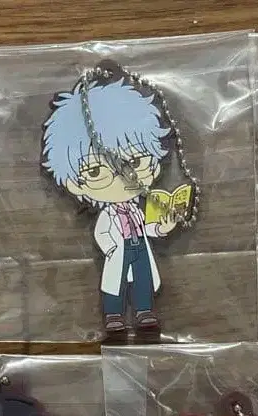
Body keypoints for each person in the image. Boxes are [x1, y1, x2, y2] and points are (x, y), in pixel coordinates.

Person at [42, 69, 179, 334]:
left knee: (143, 280)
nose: (121, 177)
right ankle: (114, 315)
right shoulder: (107, 215)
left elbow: (147, 227)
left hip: (140, 248)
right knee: (115, 286)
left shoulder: (137, 208)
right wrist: (111, 248)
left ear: (154, 163)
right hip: (119, 250)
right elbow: (102, 233)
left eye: (135, 162)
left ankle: (144, 311)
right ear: (74, 183)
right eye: (95, 171)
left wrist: (161, 228)